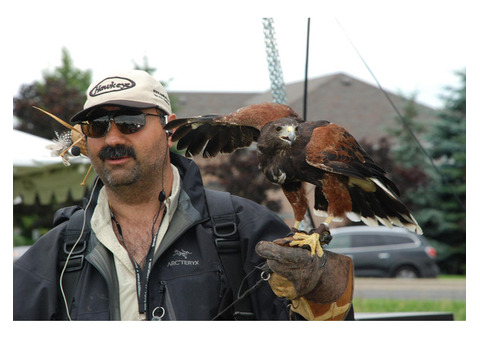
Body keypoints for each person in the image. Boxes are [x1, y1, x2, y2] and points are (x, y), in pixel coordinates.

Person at [13, 70, 354, 321]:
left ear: (168, 129)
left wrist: (326, 294)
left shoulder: (244, 230)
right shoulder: (57, 254)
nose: (113, 138)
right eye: (97, 127)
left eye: (130, 122)